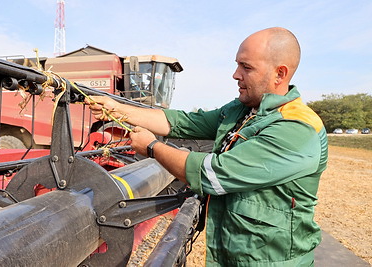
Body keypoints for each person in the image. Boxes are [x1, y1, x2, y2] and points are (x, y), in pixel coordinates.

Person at [85, 27, 328, 266]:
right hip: (235, 254)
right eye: (237, 64)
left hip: (270, 260)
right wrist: (115, 108)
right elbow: (183, 123)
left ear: (280, 74)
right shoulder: (243, 110)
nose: (235, 74)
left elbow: (212, 175)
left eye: (247, 67)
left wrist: (151, 147)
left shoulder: (296, 128)